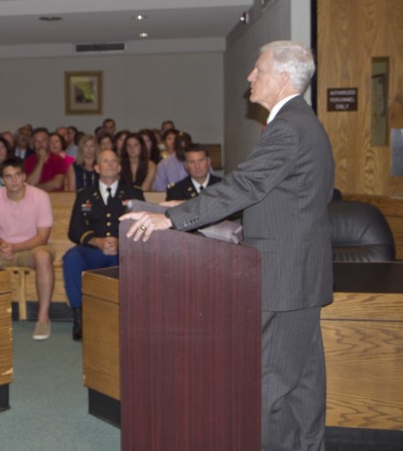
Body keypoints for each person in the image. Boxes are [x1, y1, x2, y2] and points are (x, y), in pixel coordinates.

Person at [122, 41, 334, 451]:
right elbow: (276, 195)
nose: (250, 77)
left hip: (283, 278)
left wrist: (171, 219)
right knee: (304, 384)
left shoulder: (288, 127)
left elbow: (245, 185)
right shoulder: (304, 121)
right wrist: (183, 203)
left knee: (267, 387)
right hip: (302, 276)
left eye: (258, 70)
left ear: (283, 77)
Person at [63, 149, 145, 341]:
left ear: (119, 167)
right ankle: (80, 316)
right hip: (93, 250)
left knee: (131, 261)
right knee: (71, 257)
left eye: (113, 161)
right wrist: (96, 241)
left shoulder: (134, 193)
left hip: (123, 250)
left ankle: (128, 319)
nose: (109, 164)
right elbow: (74, 229)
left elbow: (141, 225)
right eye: (104, 161)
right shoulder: (85, 195)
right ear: (96, 168)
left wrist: (120, 241)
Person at [0, 157, 55, 341]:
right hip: (3, 247)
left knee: (43, 257)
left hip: (33, 247)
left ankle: (43, 318)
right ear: (2, 180)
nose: (14, 180)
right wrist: (2, 244)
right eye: (9, 176)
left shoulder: (40, 197)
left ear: (24, 176)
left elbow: (42, 237)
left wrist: (15, 247)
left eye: (17, 175)